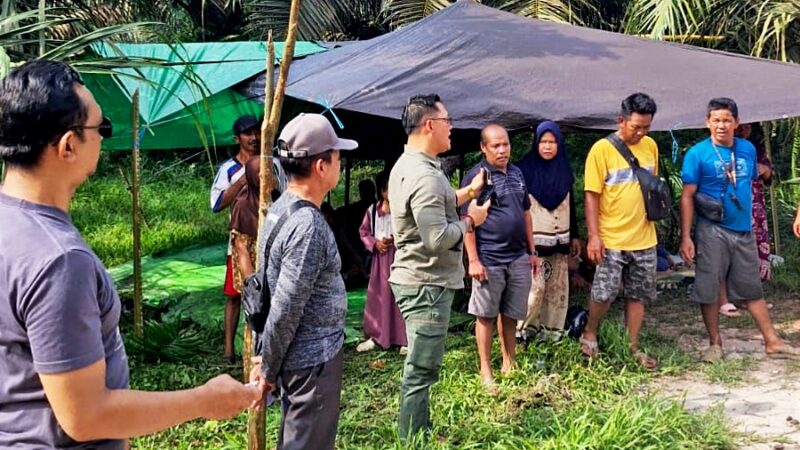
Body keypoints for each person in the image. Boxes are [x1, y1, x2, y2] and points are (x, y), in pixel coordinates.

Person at [0, 59, 260, 449]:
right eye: (100, 128)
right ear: (69, 145)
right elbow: (85, 416)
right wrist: (203, 401)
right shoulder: (58, 260)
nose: (105, 138)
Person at [249, 113, 358, 450]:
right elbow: (285, 306)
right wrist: (267, 368)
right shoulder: (308, 226)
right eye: (337, 155)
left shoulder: (282, 208)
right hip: (311, 362)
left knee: (297, 437)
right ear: (321, 167)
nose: (340, 162)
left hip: (298, 358)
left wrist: (265, 352)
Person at [388, 94, 490, 441]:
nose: (452, 129)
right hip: (427, 284)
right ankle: (413, 439)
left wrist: (468, 192)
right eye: (448, 121)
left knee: (421, 367)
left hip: (418, 278)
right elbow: (436, 237)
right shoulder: (426, 175)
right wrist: (470, 222)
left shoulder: (411, 165)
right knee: (421, 370)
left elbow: (435, 205)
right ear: (430, 125)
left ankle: (419, 431)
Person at [679, 97, 798, 362]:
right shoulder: (697, 154)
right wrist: (686, 236)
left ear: (737, 122)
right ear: (707, 123)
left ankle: (772, 341)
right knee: (709, 288)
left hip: (744, 230)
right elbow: (687, 196)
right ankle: (715, 344)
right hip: (711, 229)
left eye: (727, 120)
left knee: (752, 288)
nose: (722, 125)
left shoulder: (747, 149)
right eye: (716, 120)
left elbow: (749, 184)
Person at [581, 92, 660, 371]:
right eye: (636, 126)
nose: (641, 133)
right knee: (604, 291)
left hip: (644, 236)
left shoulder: (650, 146)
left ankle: (632, 345)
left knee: (639, 293)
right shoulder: (602, 150)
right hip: (612, 236)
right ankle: (590, 333)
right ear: (621, 120)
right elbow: (592, 195)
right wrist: (594, 235)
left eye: (646, 127)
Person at [461, 124, 536, 392]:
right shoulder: (476, 178)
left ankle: (509, 361)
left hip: (518, 256)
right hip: (489, 257)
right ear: (484, 148)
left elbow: (526, 213)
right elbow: (466, 220)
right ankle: (485, 369)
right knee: (485, 315)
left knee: (511, 312)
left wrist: (532, 251)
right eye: (496, 145)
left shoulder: (517, 173)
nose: (502, 150)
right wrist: (473, 260)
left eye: (505, 144)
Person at [210, 114, 286, 363]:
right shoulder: (229, 169)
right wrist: (244, 180)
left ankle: (265, 346)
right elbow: (217, 204)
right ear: (237, 138)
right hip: (241, 238)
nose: (253, 138)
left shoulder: (271, 164)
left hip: (268, 236)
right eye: (247, 133)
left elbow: (283, 193)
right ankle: (228, 349)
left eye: (256, 132)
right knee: (235, 293)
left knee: (269, 290)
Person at [517, 120, 582, 339]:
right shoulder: (524, 170)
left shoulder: (564, 169)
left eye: (552, 142)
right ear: (536, 143)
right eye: (543, 142)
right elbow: (518, 209)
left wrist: (574, 235)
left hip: (560, 239)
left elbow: (570, 205)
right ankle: (522, 332)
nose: (547, 146)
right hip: (535, 241)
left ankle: (550, 333)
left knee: (557, 290)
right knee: (535, 290)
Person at [718, 123, 774, 317]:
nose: (743, 130)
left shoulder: (754, 149)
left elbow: (769, 176)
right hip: (728, 209)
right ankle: (723, 300)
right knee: (725, 254)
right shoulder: (718, 149)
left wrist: (765, 171)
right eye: (739, 127)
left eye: (747, 127)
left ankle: (747, 298)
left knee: (749, 254)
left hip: (754, 211)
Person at [356, 171, 408, 353]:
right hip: (380, 259)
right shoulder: (372, 211)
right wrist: (375, 243)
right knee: (379, 295)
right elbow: (363, 232)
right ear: (381, 191)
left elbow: (410, 231)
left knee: (400, 295)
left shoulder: (402, 210)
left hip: (399, 256)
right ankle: (377, 336)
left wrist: (396, 239)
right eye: (388, 190)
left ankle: (403, 339)